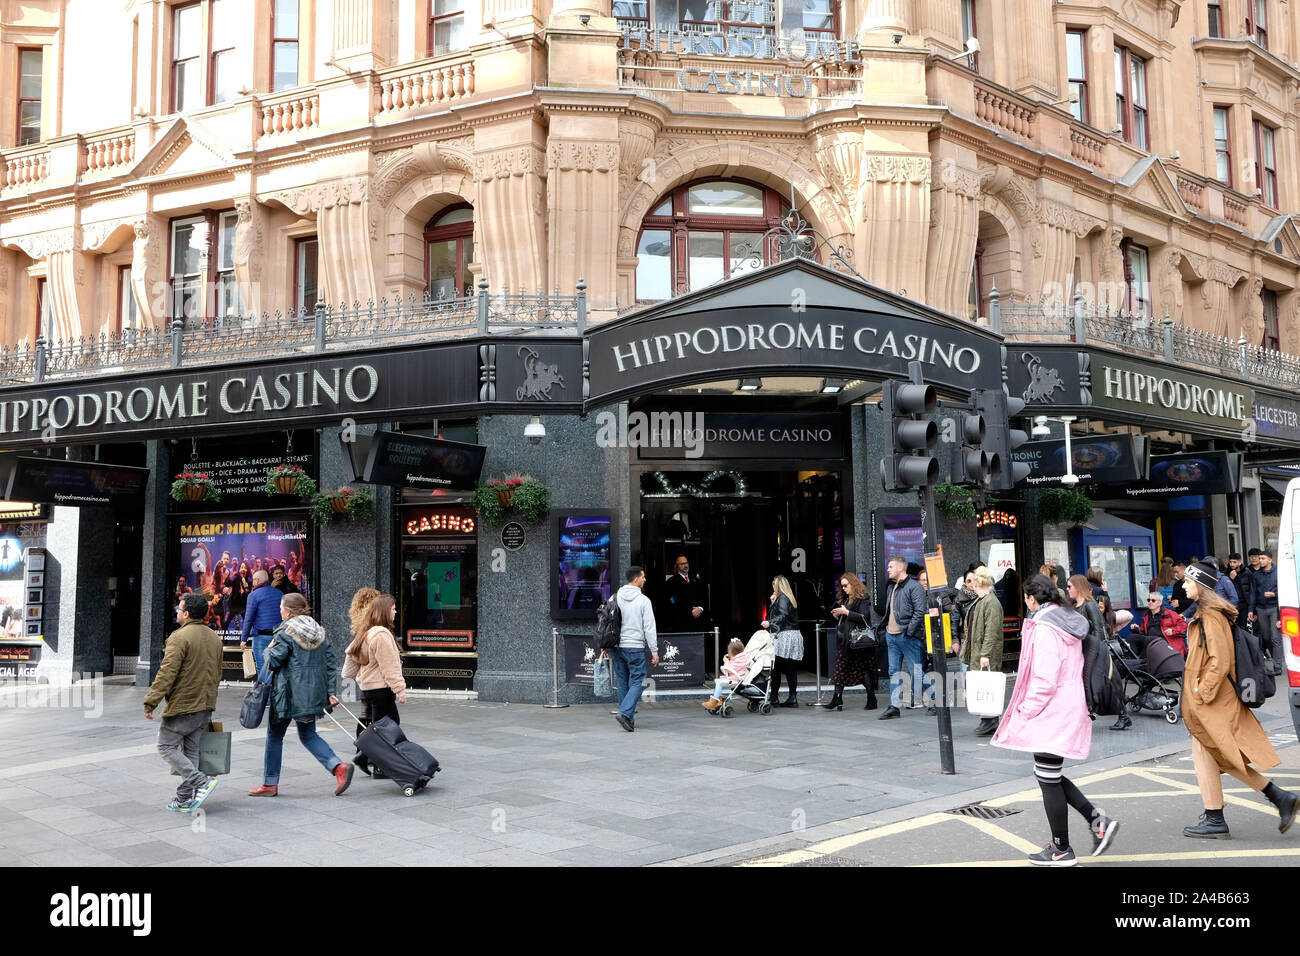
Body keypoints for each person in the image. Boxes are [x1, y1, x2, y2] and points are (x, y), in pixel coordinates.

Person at [992, 574, 1119, 866]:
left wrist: (1027, 710)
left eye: (1025, 598)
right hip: (1066, 706)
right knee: (1049, 775)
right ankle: (1098, 822)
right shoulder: (1065, 618)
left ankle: (1062, 849)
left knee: (1048, 779)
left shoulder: (1047, 627)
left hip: (1053, 709)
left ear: (1032, 599)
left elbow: (1045, 678)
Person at [1179, 561, 1297, 838]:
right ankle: (1218, 815)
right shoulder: (1205, 614)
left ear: (1201, 585)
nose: (1184, 585)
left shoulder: (1211, 617)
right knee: (1209, 754)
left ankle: (1267, 800)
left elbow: (1219, 661)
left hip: (1215, 701)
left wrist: (1201, 692)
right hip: (1210, 702)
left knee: (1220, 754)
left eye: (1188, 581)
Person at [248, 593, 353, 797]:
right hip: (311, 695)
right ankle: (338, 767)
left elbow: (274, 661)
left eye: (281, 607)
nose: (280, 610)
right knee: (308, 734)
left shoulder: (285, 632)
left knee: (274, 736)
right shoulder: (319, 632)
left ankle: (269, 784)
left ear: (288, 611)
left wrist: (268, 650)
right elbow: (331, 664)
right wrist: (330, 691)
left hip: (286, 695)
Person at [143, 593, 223, 813]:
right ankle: (183, 798)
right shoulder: (214, 637)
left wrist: (151, 701)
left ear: (186, 614)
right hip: (205, 704)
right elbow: (218, 673)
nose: (177, 612)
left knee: (165, 746)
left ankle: (201, 781)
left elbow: (166, 673)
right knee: (191, 752)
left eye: (179, 609)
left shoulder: (179, 637)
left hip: (184, 705)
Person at [343, 593, 408, 777]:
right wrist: (400, 689)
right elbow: (390, 666)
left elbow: (351, 653)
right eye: (394, 609)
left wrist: (352, 675)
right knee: (388, 728)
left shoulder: (367, 631)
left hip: (369, 688)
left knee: (376, 726)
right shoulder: (381, 634)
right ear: (385, 611)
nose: (396, 612)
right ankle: (377, 765)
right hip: (381, 689)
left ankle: (364, 756)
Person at [1067, 574, 1127, 731]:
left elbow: (1100, 629)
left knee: (1107, 684)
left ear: (1078, 587)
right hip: (1082, 650)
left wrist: (1097, 650)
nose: (1067, 590)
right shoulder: (1075, 606)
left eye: (1069, 587)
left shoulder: (1090, 605)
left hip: (1094, 651)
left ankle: (1122, 714)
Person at [878, 556, 929, 720]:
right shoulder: (892, 587)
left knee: (916, 671)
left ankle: (935, 699)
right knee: (894, 671)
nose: (888, 569)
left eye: (891, 566)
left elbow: (920, 612)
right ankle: (894, 706)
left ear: (901, 568)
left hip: (907, 636)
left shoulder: (914, 587)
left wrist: (908, 631)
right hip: (891, 636)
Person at [612, 566, 658, 732]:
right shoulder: (643, 601)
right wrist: (654, 651)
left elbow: (607, 621)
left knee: (623, 681)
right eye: (643, 577)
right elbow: (649, 628)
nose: (645, 580)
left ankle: (628, 719)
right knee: (639, 680)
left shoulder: (615, 597)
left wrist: (605, 645)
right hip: (634, 647)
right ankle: (624, 712)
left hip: (616, 647)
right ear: (636, 579)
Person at [960, 566, 1005, 737]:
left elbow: (991, 631)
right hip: (977, 650)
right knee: (982, 686)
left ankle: (989, 719)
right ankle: (988, 719)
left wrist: (985, 654)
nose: (971, 585)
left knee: (987, 686)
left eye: (974, 582)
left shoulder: (990, 603)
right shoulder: (981, 601)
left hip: (984, 652)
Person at [826, 572, 878, 711]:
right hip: (845, 642)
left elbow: (864, 617)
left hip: (860, 642)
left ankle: (871, 698)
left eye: (846, 585)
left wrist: (846, 613)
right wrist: (838, 614)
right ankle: (837, 698)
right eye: (841, 586)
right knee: (840, 669)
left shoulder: (863, 598)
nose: (843, 588)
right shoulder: (844, 600)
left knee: (865, 670)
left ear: (853, 584)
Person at [762, 575, 803, 707]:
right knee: (790, 667)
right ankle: (792, 698)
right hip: (792, 634)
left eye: (774, 585)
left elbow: (782, 615)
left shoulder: (783, 598)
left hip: (785, 635)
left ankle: (774, 697)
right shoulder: (787, 597)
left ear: (777, 585)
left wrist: (769, 622)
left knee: (776, 668)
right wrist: (773, 602)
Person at [1248, 549, 1283, 677]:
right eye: (1259, 558)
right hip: (1261, 609)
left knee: (1275, 638)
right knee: (1266, 638)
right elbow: (1253, 594)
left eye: (1263, 558)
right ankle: (1276, 658)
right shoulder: (1256, 575)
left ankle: (1277, 666)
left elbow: (1285, 590)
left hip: (1274, 608)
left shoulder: (1278, 572)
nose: (1260, 560)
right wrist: (1251, 610)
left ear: (1270, 560)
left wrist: (1274, 594)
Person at [240, 570, 281, 674]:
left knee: (263, 669)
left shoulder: (253, 595)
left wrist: (244, 639)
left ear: (257, 581)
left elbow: (249, 618)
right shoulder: (279, 593)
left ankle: (265, 690)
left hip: (261, 638)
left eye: (253, 580)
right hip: (279, 637)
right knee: (277, 669)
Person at [702, 638, 751, 713]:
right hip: (736, 678)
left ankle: (714, 701)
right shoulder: (740, 658)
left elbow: (729, 668)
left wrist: (726, 660)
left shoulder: (739, 660)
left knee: (719, 682)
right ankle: (718, 700)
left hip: (736, 679)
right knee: (718, 681)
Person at [1134, 590, 1188, 657]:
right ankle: (1136, 660)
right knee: (1133, 638)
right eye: (1148, 600)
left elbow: (1183, 624)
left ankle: (1142, 659)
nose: (1150, 602)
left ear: (1160, 603)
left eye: (1153, 600)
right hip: (1152, 643)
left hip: (1166, 644)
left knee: (1148, 640)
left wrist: (1173, 630)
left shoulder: (1170, 613)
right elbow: (1143, 630)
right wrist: (1136, 628)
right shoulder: (1147, 615)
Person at [661, 555, 706, 632]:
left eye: (686, 563)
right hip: (681, 624)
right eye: (682, 564)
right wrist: (690, 612)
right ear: (676, 566)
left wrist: (700, 608)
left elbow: (704, 596)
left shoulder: (695, 579)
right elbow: (672, 602)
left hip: (699, 623)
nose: (685, 565)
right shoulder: (671, 582)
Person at [1227, 553, 1251, 624]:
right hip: (1233, 604)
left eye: (1234, 562)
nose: (1232, 564)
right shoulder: (1227, 573)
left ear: (1239, 562)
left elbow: (1251, 589)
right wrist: (1230, 579)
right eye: (1230, 562)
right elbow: (1226, 588)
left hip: (1244, 604)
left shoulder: (1246, 572)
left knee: (1244, 626)